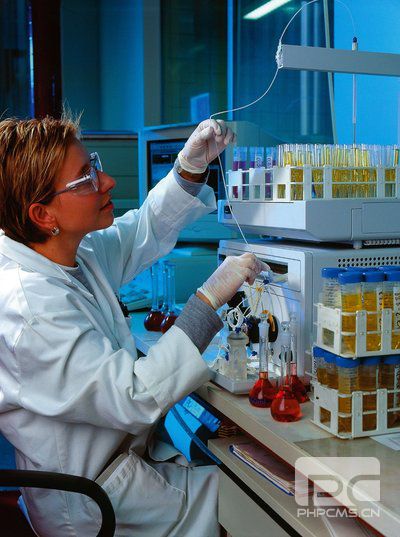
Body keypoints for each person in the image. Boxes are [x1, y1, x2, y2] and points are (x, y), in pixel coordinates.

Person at [0, 116, 268, 536]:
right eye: (85, 178)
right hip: (96, 503)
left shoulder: (66, 253)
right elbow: (136, 395)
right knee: (261, 504)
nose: (106, 181)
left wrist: (188, 168)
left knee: (245, 485)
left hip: (120, 468)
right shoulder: (29, 307)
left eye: (94, 164)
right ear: (42, 213)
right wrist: (208, 300)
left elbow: (142, 230)